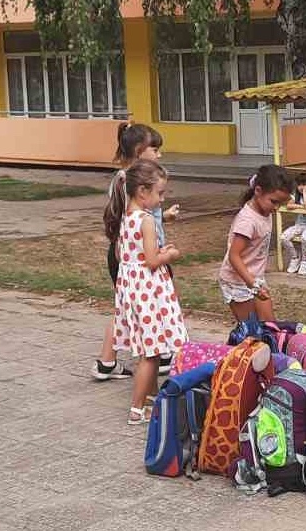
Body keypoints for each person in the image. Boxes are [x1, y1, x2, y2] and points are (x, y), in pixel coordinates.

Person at [92, 123, 178, 380]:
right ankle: (158, 356)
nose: (159, 154)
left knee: (125, 308)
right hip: (137, 260)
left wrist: (167, 218)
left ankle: (108, 362)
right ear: (139, 152)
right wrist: (164, 256)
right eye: (155, 149)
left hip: (130, 258)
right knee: (152, 305)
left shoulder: (133, 183)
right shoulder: (129, 183)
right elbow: (130, 224)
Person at [107, 160, 188, 424]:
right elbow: (152, 261)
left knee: (147, 347)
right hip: (149, 291)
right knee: (152, 354)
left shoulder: (125, 217)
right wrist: (171, 254)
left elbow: (124, 255)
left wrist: (153, 256)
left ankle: (151, 398)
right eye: (160, 193)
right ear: (142, 191)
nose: (162, 198)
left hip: (132, 289)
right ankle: (137, 408)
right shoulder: (146, 221)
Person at [219, 165, 294, 321]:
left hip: (255, 278)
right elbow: (234, 256)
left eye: (281, 203)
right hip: (237, 281)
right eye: (274, 202)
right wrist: (251, 283)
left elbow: (285, 196)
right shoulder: (247, 221)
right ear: (258, 191)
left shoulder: (265, 207)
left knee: (270, 327)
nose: (276, 208)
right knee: (251, 333)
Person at [281, 173, 306, 275]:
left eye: (304, 184)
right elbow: (289, 205)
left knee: (305, 237)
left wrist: (304, 192)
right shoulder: (296, 196)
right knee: (284, 237)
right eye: (299, 185)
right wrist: (300, 205)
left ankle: (305, 262)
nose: (301, 187)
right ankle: (295, 258)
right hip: (300, 224)